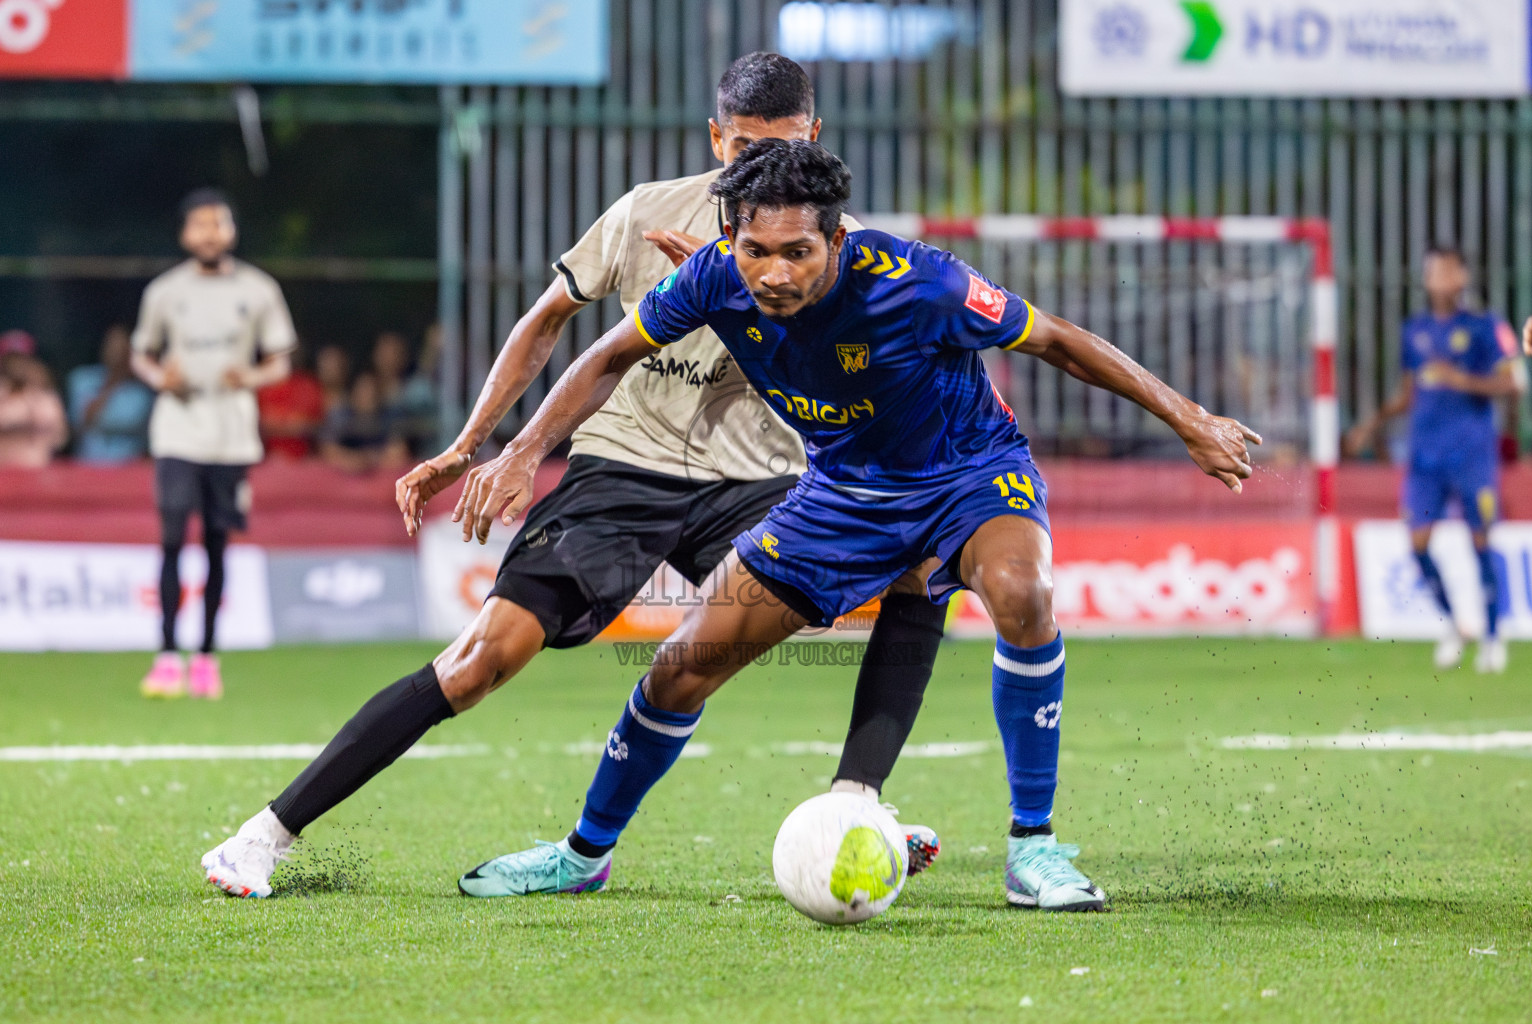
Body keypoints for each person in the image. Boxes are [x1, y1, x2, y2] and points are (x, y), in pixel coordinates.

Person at [436, 140, 1258, 910]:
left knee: (1022, 591)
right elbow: (607, 355)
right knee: (680, 669)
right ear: (731, 236)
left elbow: (1058, 341)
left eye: (798, 251)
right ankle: (580, 857)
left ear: (836, 239)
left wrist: (1186, 418)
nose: (774, 273)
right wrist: (524, 451)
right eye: (756, 250)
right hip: (842, 494)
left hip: (967, 475)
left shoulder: (918, 281)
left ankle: (1033, 849)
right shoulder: (710, 280)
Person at [199, 54, 945, 900]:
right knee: (481, 660)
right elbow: (550, 322)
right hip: (626, 463)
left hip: (761, 478)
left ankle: (856, 808)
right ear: (715, 137)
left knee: (921, 566)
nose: (758, 171)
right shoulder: (646, 213)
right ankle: (264, 836)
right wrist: (479, 446)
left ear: (813, 137)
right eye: (741, 150)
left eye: (778, 149)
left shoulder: (833, 249)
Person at [130, 188, 295, 700]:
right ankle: (165, 656)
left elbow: (281, 361)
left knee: (218, 544)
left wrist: (247, 375)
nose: (208, 233)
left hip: (231, 435)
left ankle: (206, 656)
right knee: (173, 537)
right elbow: (141, 354)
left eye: (217, 224)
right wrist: (161, 378)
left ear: (231, 231)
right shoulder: (165, 291)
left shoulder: (259, 289)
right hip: (178, 428)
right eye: (199, 225)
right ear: (185, 234)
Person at [1346, 247, 1526, 673]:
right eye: (1432, 272)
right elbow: (1409, 394)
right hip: (1424, 456)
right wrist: (1370, 425)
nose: (1439, 279)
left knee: (1480, 541)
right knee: (1417, 544)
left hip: (1471, 454)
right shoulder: (1415, 331)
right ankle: (1453, 624)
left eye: (1447, 271)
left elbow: (1514, 382)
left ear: (1462, 276)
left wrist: (1460, 378)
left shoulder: (1485, 326)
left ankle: (1493, 636)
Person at [68, 325, 154, 464]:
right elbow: (80, 424)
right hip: (86, 468)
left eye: (122, 347)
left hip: (126, 472)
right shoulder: (82, 379)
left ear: (130, 352)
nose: (116, 352)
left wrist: (118, 379)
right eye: (111, 345)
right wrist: (110, 384)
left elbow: (132, 424)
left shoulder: (141, 394)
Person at [317, 370, 412, 472]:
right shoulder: (341, 416)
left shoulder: (391, 415)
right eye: (363, 390)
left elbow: (398, 452)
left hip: (381, 475)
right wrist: (352, 459)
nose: (369, 395)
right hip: (346, 476)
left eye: (372, 390)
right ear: (353, 393)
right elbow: (328, 450)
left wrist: (370, 459)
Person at [0, 331, 68, 468]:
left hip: (36, 471)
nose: (16, 365)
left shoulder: (45, 396)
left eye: (21, 359)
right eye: (11, 359)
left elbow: (60, 438)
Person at [257, 342, 326, 459]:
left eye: (293, 351)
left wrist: (289, 426)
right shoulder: (263, 385)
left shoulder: (308, 385)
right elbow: (259, 423)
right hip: (267, 459)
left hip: (304, 460)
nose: (289, 355)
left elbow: (318, 424)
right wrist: (289, 426)